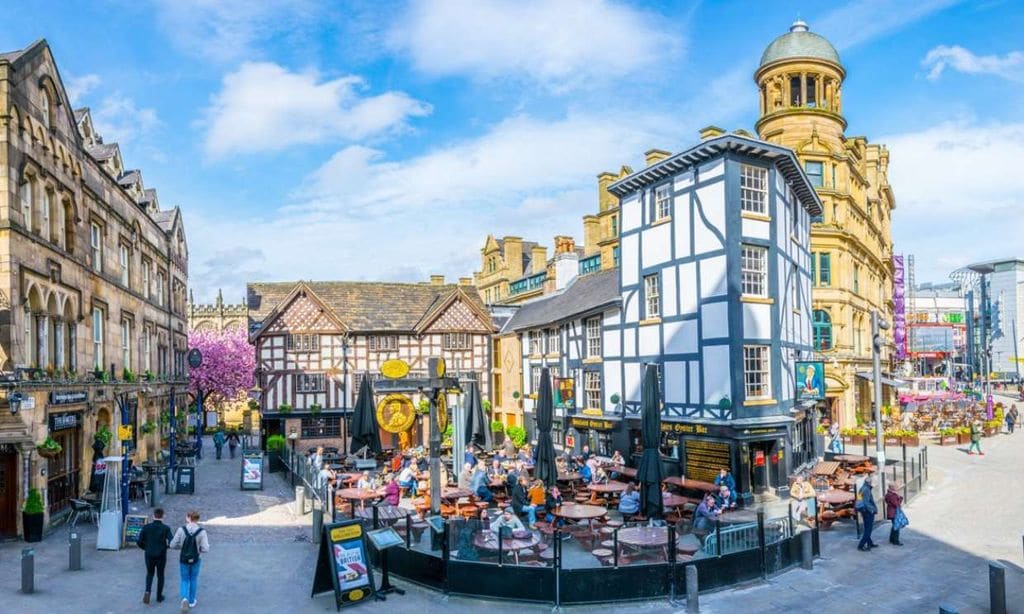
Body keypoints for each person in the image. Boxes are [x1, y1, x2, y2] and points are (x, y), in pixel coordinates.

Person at [170, 510, 210, 611]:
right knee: (193, 579)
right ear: (197, 519)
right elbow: (205, 548)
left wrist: (182, 547)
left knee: (184, 579)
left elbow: (172, 545)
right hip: (196, 559)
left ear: (188, 518)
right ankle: (191, 601)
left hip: (183, 559)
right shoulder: (202, 532)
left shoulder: (181, 529)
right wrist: (198, 549)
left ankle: (184, 599)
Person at [138, 507, 174, 605]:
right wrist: (166, 547)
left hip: (149, 554)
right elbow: (172, 541)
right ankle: (159, 596)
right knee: (160, 575)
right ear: (163, 516)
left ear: (153, 516)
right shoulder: (166, 528)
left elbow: (139, 542)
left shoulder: (146, 527)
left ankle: (147, 591)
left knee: (149, 574)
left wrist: (146, 548)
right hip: (161, 555)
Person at [855, 476, 878, 551]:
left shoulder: (862, 488)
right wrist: (872, 510)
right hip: (867, 511)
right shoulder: (866, 489)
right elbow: (866, 502)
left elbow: (860, 499)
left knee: (867, 528)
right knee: (868, 529)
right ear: (869, 482)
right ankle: (861, 545)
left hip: (864, 511)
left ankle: (869, 543)